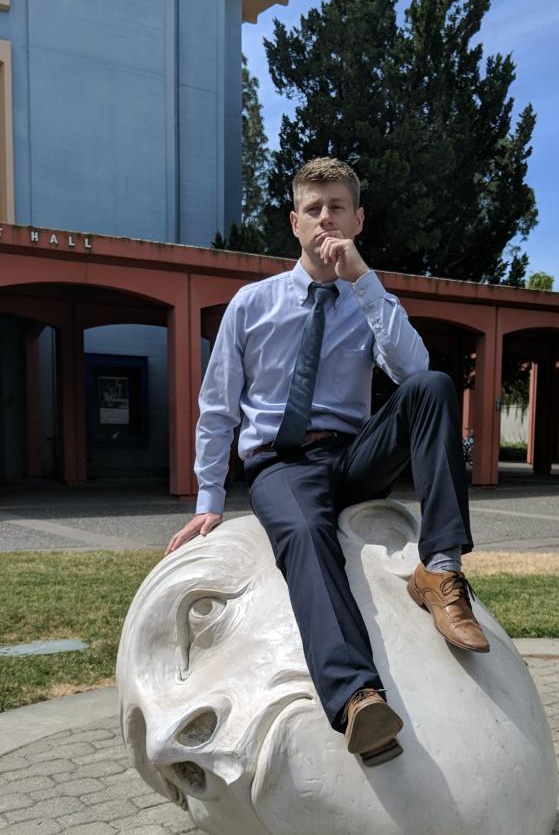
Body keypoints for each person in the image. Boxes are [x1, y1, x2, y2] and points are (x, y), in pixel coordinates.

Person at [167, 157, 489, 767]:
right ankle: (358, 699)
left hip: (350, 455)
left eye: (337, 207)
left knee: (436, 387)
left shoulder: (367, 301)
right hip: (280, 466)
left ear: (357, 218)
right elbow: (217, 407)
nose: (325, 220)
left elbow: (413, 373)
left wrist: (364, 280)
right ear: (294, 222)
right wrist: (209, 498)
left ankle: (441, 569)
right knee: (307, 534)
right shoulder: (251, 304)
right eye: (313, 209)